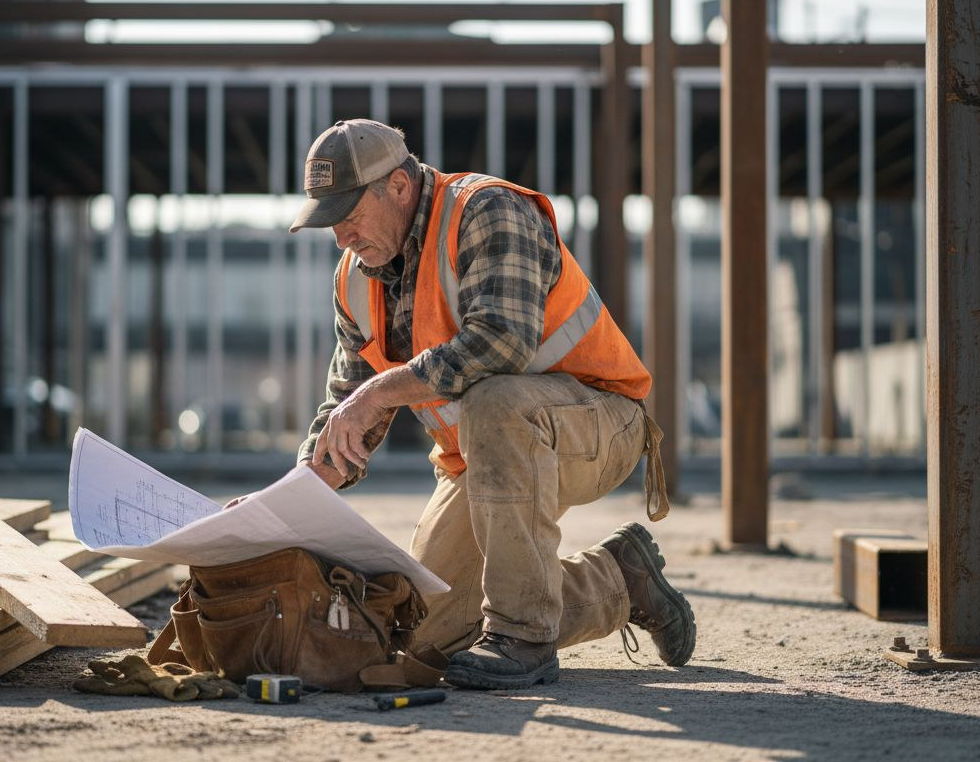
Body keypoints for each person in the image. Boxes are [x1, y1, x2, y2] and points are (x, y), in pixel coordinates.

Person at [287, 118, 694, 690]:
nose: (342, 239)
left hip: (600, 425)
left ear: (399, 187)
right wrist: (289, 499)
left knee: (497, 399)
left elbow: (500, 344)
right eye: (331, 224)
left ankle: (523, 635)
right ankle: (620, 582)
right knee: (427, 638)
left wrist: (377, 392)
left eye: (349, 218)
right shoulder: (356, 278)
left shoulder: (486, 211)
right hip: (483, 457)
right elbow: (345, 405)